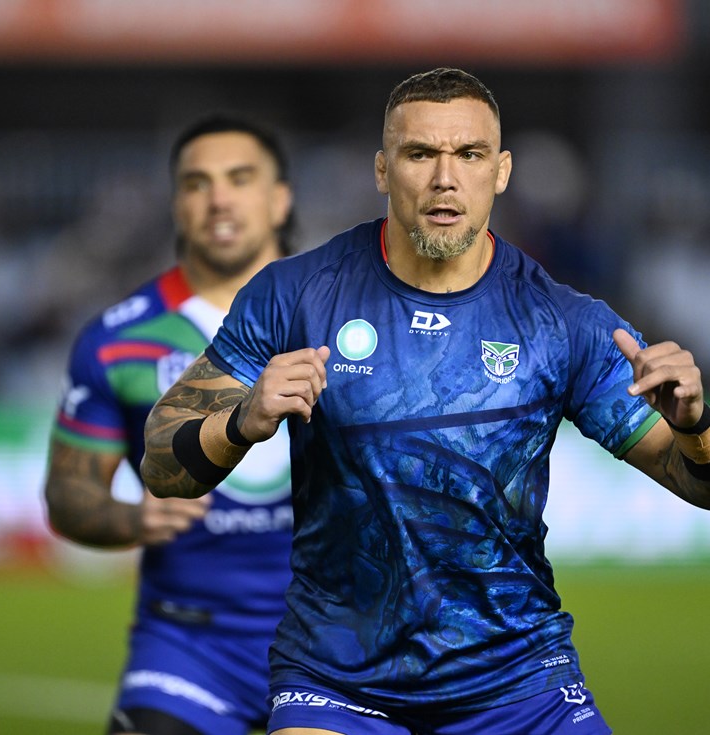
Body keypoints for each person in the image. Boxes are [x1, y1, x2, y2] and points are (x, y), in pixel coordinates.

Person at [140, 69, 710, 735]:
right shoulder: (295, 295)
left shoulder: (563, 322)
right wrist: (240, 421)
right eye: (420, 154)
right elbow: (160, 462)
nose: (445, 178)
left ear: (500, 172)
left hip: (519, 679)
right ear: (383, 170)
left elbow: (698, 483)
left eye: (468, 154)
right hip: (337, 681)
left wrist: (693, 426)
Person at [43, 114, 295, 735]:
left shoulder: (348, 320)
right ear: (177, 205)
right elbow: (68, 495)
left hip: (339, 644)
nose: (219, 199)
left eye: (240, 178)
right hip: (188, 646)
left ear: (280, 199)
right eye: (196, 183)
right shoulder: (118, 340)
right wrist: (130, 518)